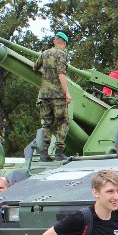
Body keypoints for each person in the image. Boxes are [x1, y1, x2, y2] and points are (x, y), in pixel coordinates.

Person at [33, 31, 72, 161]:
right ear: (64, 43)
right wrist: (67, 93)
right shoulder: (62, 54)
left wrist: (46, 75)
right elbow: (61, 74)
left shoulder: (45, 53)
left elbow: (35, 67)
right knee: (62, 121)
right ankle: (59, 152)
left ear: (55, 40)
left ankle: (44, 153)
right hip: (58, 95)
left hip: (44, 94)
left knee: (47, 124)